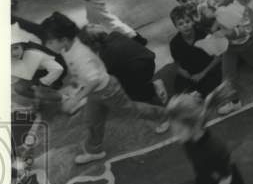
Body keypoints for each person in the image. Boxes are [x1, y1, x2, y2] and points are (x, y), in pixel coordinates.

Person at [40, 12, 167, 165]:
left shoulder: (80, 54)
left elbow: (94, 80)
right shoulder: (67, 49)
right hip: (96, 92)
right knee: (93, 120)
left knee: (132, 110)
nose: (46, 45)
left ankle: (165, 115)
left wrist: (75, 98)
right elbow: (80, 73)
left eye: (49, 42)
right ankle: (95, 150)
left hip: (108, 91)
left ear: (63, 39)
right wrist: (75, 83)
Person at [78, 25, 167, 108]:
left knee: (122, 88)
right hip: (148, 60)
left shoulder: (106, 55)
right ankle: (150, 87)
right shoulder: (115, 34)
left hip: (141, 73)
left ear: (95, 45)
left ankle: (153, 94)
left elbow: (105, 76)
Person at [168, 5, 224, 98]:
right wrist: (184, 73)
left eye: (187, 21)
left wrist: (202, 74)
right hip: (191, 74)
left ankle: (201, 93)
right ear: (176, 27)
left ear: (193, 21)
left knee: (212, 84)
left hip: (207, 69)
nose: (185, 26)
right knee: (179, 88)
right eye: (181, 24)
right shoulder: (174, 43)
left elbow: (218, 57)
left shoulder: (204, 34)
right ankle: (195, 94)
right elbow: (176, 64)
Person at [11, 22, 66, 107]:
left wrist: (43, 82)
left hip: (51, 74)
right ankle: (39, 100)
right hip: (33, 75)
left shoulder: (35, 54)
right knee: (19, 87)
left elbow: (58, 69)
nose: (14, 53)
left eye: (16, 48)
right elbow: (14, 80)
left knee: (39, 92)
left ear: (22, 45)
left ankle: (64, 98)